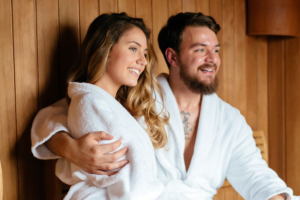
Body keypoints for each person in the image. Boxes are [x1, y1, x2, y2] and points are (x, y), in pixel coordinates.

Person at [32, 12, 299, 200]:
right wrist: (69, 148)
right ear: (172, 56)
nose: (212, 59)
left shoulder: (229, 120)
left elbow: (255, 175)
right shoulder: (135, 94)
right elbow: (65, 109)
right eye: (200, 49)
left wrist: (275, 197)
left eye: (216, 50)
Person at [40, 12, 172, 199]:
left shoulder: (110, 104)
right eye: (133, 49)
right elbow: (126, 180)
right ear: (106, 49)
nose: (143, 61)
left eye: (144, 53)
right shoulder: (91, 102)